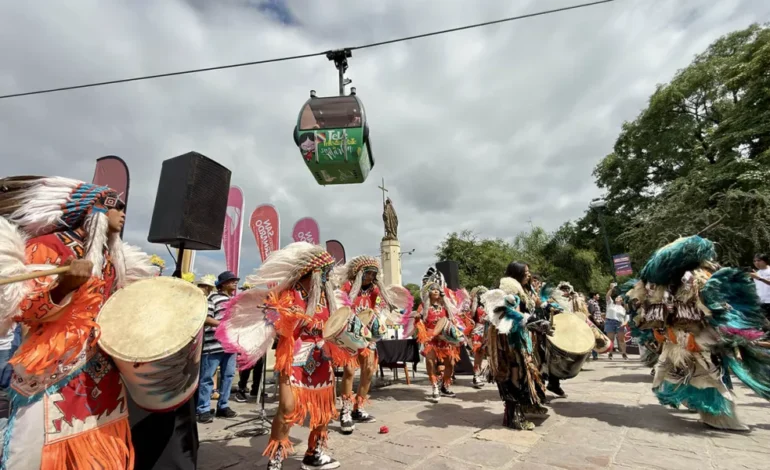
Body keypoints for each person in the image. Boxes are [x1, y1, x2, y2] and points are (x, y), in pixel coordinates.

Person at [0, 176, 156, 469]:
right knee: (38, 452)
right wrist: (63, 286)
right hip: (52, 371)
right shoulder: (48, 246)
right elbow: (23, 310)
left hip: (101, 369)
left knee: (101, 452)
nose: (123, 213)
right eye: (116, 206)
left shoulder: (112, 259)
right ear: (94, 208)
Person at [215, 242, 343, 470]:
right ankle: (276, 455)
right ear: (312, 271)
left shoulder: (328, 297)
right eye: (324, 272)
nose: (328, 277)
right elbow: (275, 324)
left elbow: (335, 326)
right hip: (294, 356)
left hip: (322, 358)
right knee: (287, 408)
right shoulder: (286, 294)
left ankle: (315, 453)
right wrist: (285, 317)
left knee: (324, 409)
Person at [628, 236, 770, 430]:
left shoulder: (667, 283)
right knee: (706, 371)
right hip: (690, 335)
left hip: (685, 335)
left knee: (691, 369)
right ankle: (717, 415)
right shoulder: (691, 278)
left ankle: (701, 405)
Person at [334, 256, 406, 435]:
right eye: (367, 273)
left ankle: (359, 407)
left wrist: (375, 318)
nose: (370, 276)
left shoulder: (375, 290)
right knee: (349, 371)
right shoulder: (348, 287)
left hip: (368, 337)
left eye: (373, 274)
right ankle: (345, 410)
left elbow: (378, 308)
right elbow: (341, 308)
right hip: (351, 335)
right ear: (359, 273)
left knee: (368, 371)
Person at [485, 261, 552, 430]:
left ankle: (527, 405)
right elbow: (504, 310)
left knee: (526, 371)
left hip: (522, 335)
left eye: (529, 271)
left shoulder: (523, 290)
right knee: (516, 373)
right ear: (516, 273)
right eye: (526, 272)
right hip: (510, 340)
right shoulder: (509, 289)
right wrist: (529, 320)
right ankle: (513, 417)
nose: (529, 274)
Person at [196, 271, 240, 423]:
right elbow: (206, 318)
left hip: (230, 345)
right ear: (223, 284)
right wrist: (224, 325)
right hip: (213, 345)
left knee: (228, 377)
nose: (235, 283)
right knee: (207, 377)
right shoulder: (212, 298)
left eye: (236, 280)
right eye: (232, 280)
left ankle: (223, 406)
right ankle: (203, 409)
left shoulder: (234, 300)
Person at [414, 267, 462, 402]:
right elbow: (419, 324)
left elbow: (451, 321)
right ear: (429, 292)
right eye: (433, 289)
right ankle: (434, 385)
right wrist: (419, 323)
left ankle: (445, 386)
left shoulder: (446, 308)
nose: (435, 291)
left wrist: (453, 325)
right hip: (430, 339)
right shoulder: (423, 307)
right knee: (430, 362)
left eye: (437, 289)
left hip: (444, 339)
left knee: (451, 364)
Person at [468, 286, 489, 388]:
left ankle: (478, 373)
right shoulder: (474, 305)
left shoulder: (489, 305)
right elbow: (469, 317)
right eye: (480, 294)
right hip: (477, 330)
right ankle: (476, 375)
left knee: (483, 353)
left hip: (488, 331)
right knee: (478, 352)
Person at [604, 283, 629, 360]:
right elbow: (607, 296)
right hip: (610, 322)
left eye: (619, 297)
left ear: (622, 300)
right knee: (610, 339)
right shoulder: (610, 304)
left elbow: (627, 317)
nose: (617, 298)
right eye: (617, 297)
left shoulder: (624, 308)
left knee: (621, 339)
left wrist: (624, 323)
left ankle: (624, 354)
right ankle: (610, 353)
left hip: (619, 323)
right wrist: (611, 288)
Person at [750, 253, 770, 320]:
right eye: (754, 261)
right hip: (761, 302)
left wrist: (759, 278)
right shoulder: (757, 273)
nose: (756, 263)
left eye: (758, 260)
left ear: (765, 261)